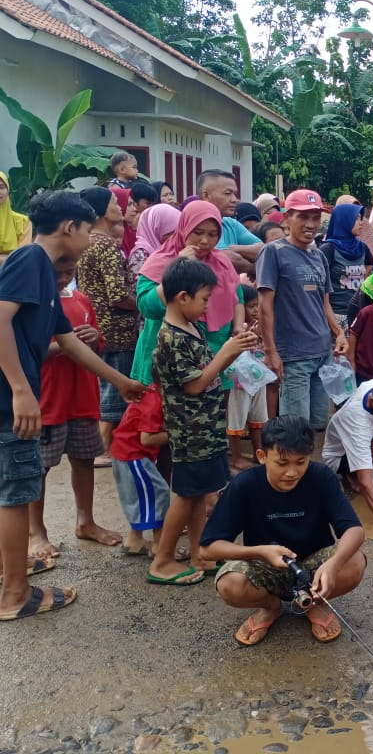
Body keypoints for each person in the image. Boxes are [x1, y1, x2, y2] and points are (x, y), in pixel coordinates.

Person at [0, 191, 145, 622]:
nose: (93, 237)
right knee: (16, 492)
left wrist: (121, 382)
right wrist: (22, 390)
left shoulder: (45, 272)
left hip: (17, 396)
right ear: (69, 228)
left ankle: (13, 581)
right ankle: (14, 594)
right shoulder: (31, 261)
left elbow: (67, 340)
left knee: (13, 487)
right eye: (89, 229)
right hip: (13, 401)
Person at [202, 415, 366, 645]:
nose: (292, 472)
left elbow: (355, 530)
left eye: (301, 462)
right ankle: (270, 607)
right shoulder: (244, 485)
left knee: (354, 562)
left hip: (313, 565)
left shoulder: (321, 477)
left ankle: (314, 603)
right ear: (262, 456)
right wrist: (260, 552)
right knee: (229, 584)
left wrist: (334, 564)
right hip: (265, 566)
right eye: (282, 463)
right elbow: (207, 548)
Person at [147, 258, 258, 586]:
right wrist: (226, 353)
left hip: (205, 429)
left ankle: (199, 552)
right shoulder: (173, 337)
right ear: (182, 297)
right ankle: (163, 559)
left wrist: (235, 350)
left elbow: (206, 374)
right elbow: (194, 384)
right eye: (204, 299)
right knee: (185, 496)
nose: (207, 305)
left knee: (198, 493)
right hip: (191, 432)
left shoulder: (189, 328)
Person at [32, 256, 122, 558]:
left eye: (69, 273)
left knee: (84, 460)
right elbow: (26, 350)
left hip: (83, 398)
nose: (62, 279)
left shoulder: (81, 298)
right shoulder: (31, 303)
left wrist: (94, 338)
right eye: (57, 273)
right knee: (39, 469)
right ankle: (37, 532)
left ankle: (86, 521)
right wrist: (68, 344)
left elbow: (96, 342)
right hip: (48, 400)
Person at [257, 189, 349, 433]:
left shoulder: (319, 256)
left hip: (322, 353)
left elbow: (324, 303)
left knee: (318, 423)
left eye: (315, 218)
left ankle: (305, 467)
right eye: (303, 217)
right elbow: (265, 305)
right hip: (294, 356)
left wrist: (338, 333)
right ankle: (292, 470)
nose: (310, 224)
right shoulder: (273, 252)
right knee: (295, 428)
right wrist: (270, 351)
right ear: (287, 218)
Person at [133, 202, 245, 387]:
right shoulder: (161, 260)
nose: (204, 241)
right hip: (168, 360)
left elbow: (237, 296)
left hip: (215, 358)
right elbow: (147, 306)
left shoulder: (222, 262)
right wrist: (178, 267)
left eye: (212, 234)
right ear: (184, 228)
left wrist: (238, 327)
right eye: (198, 232)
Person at [75, 186, 137, 459]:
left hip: (94, 324)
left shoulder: (85, 241)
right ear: (100, 212)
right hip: (116, 328)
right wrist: (146, 303)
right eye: (114, 202)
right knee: (115, 389)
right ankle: (103, 448)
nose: (120, 207)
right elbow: (119, 295)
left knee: (104, 386)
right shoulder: (107, 247)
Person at [322, 376, 373, 529]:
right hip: (338, 457)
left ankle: (363, 465)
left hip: (369, 432)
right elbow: (366, 483)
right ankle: (352, 473)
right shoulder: (357, 421)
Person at [108, 384, 169, 557]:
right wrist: (178, 434)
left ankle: (134, 541)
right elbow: (147, 439)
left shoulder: (152, 392)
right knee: (159, 494)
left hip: (125, 453)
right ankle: (160, 546)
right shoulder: (155, 401)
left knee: (139, 497)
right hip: (133, 455)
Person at [226, 285, 269, 470]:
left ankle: (258, 451)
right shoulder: (236, 328)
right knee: (236, 418)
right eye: (251, 306)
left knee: (258, 417)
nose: (255, 310)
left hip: (259, 379)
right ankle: (235, 457)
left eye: (257, 306)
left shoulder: (261, 325)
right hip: (239, 383)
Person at [197, 170, 264, 276]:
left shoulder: (230, 223)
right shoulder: (198, 224)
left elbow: (263, 250)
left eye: (235, 194)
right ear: (206, 195)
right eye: (228, 193)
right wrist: (254, 268)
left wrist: (233, 248)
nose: (234, 199)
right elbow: (227, 259)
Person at [321, 203, 373, 332]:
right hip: (335, 315)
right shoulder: (328, 249)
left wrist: (360, 281)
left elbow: (370, 263)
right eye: (355, 218)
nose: (361, 223)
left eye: (361, 218)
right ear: (343, 221)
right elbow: (320, 286)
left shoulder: (361, 247)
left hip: (358, 313)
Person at [127, 202, 180, 279]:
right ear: (157, 229)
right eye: (172, 232)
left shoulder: (173, 249)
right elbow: (139, 289)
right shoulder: (140, 255)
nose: (176, 236)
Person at [0, 171, 32, 266]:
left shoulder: (23, 222)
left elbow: (22, 256)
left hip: (13, 274)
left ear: (8, 190)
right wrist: (8, 257)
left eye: (1, 187)